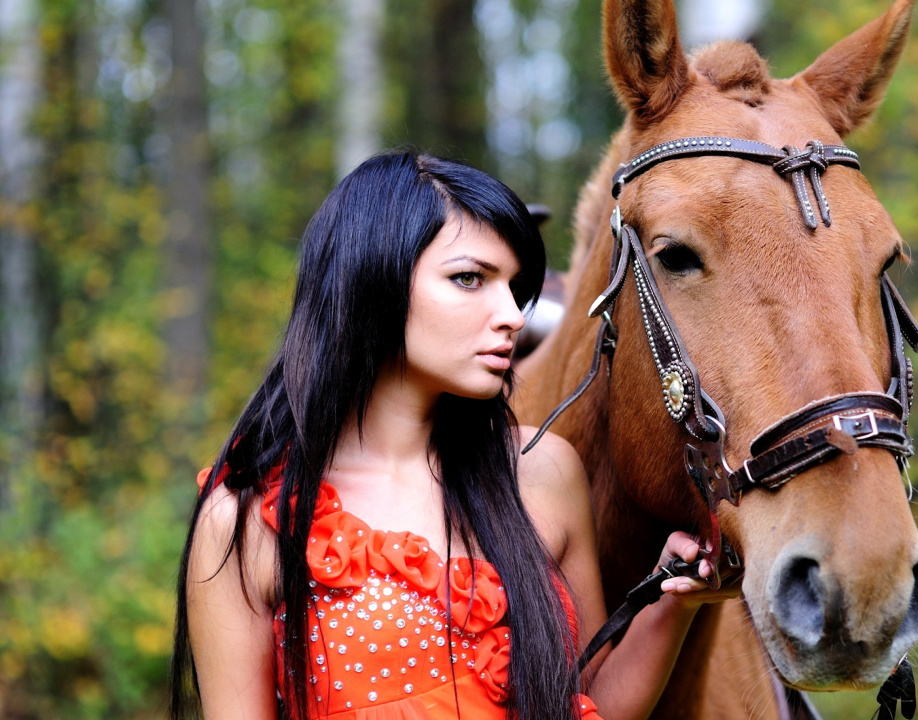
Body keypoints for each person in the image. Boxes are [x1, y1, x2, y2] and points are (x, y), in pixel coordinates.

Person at [169, 152, 734, 720]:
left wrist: (671, 605)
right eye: (470, 278)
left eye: (515, 288)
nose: (512, 314)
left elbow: (590, 704)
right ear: (372, 279)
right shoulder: (247, 521)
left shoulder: (543, 472)